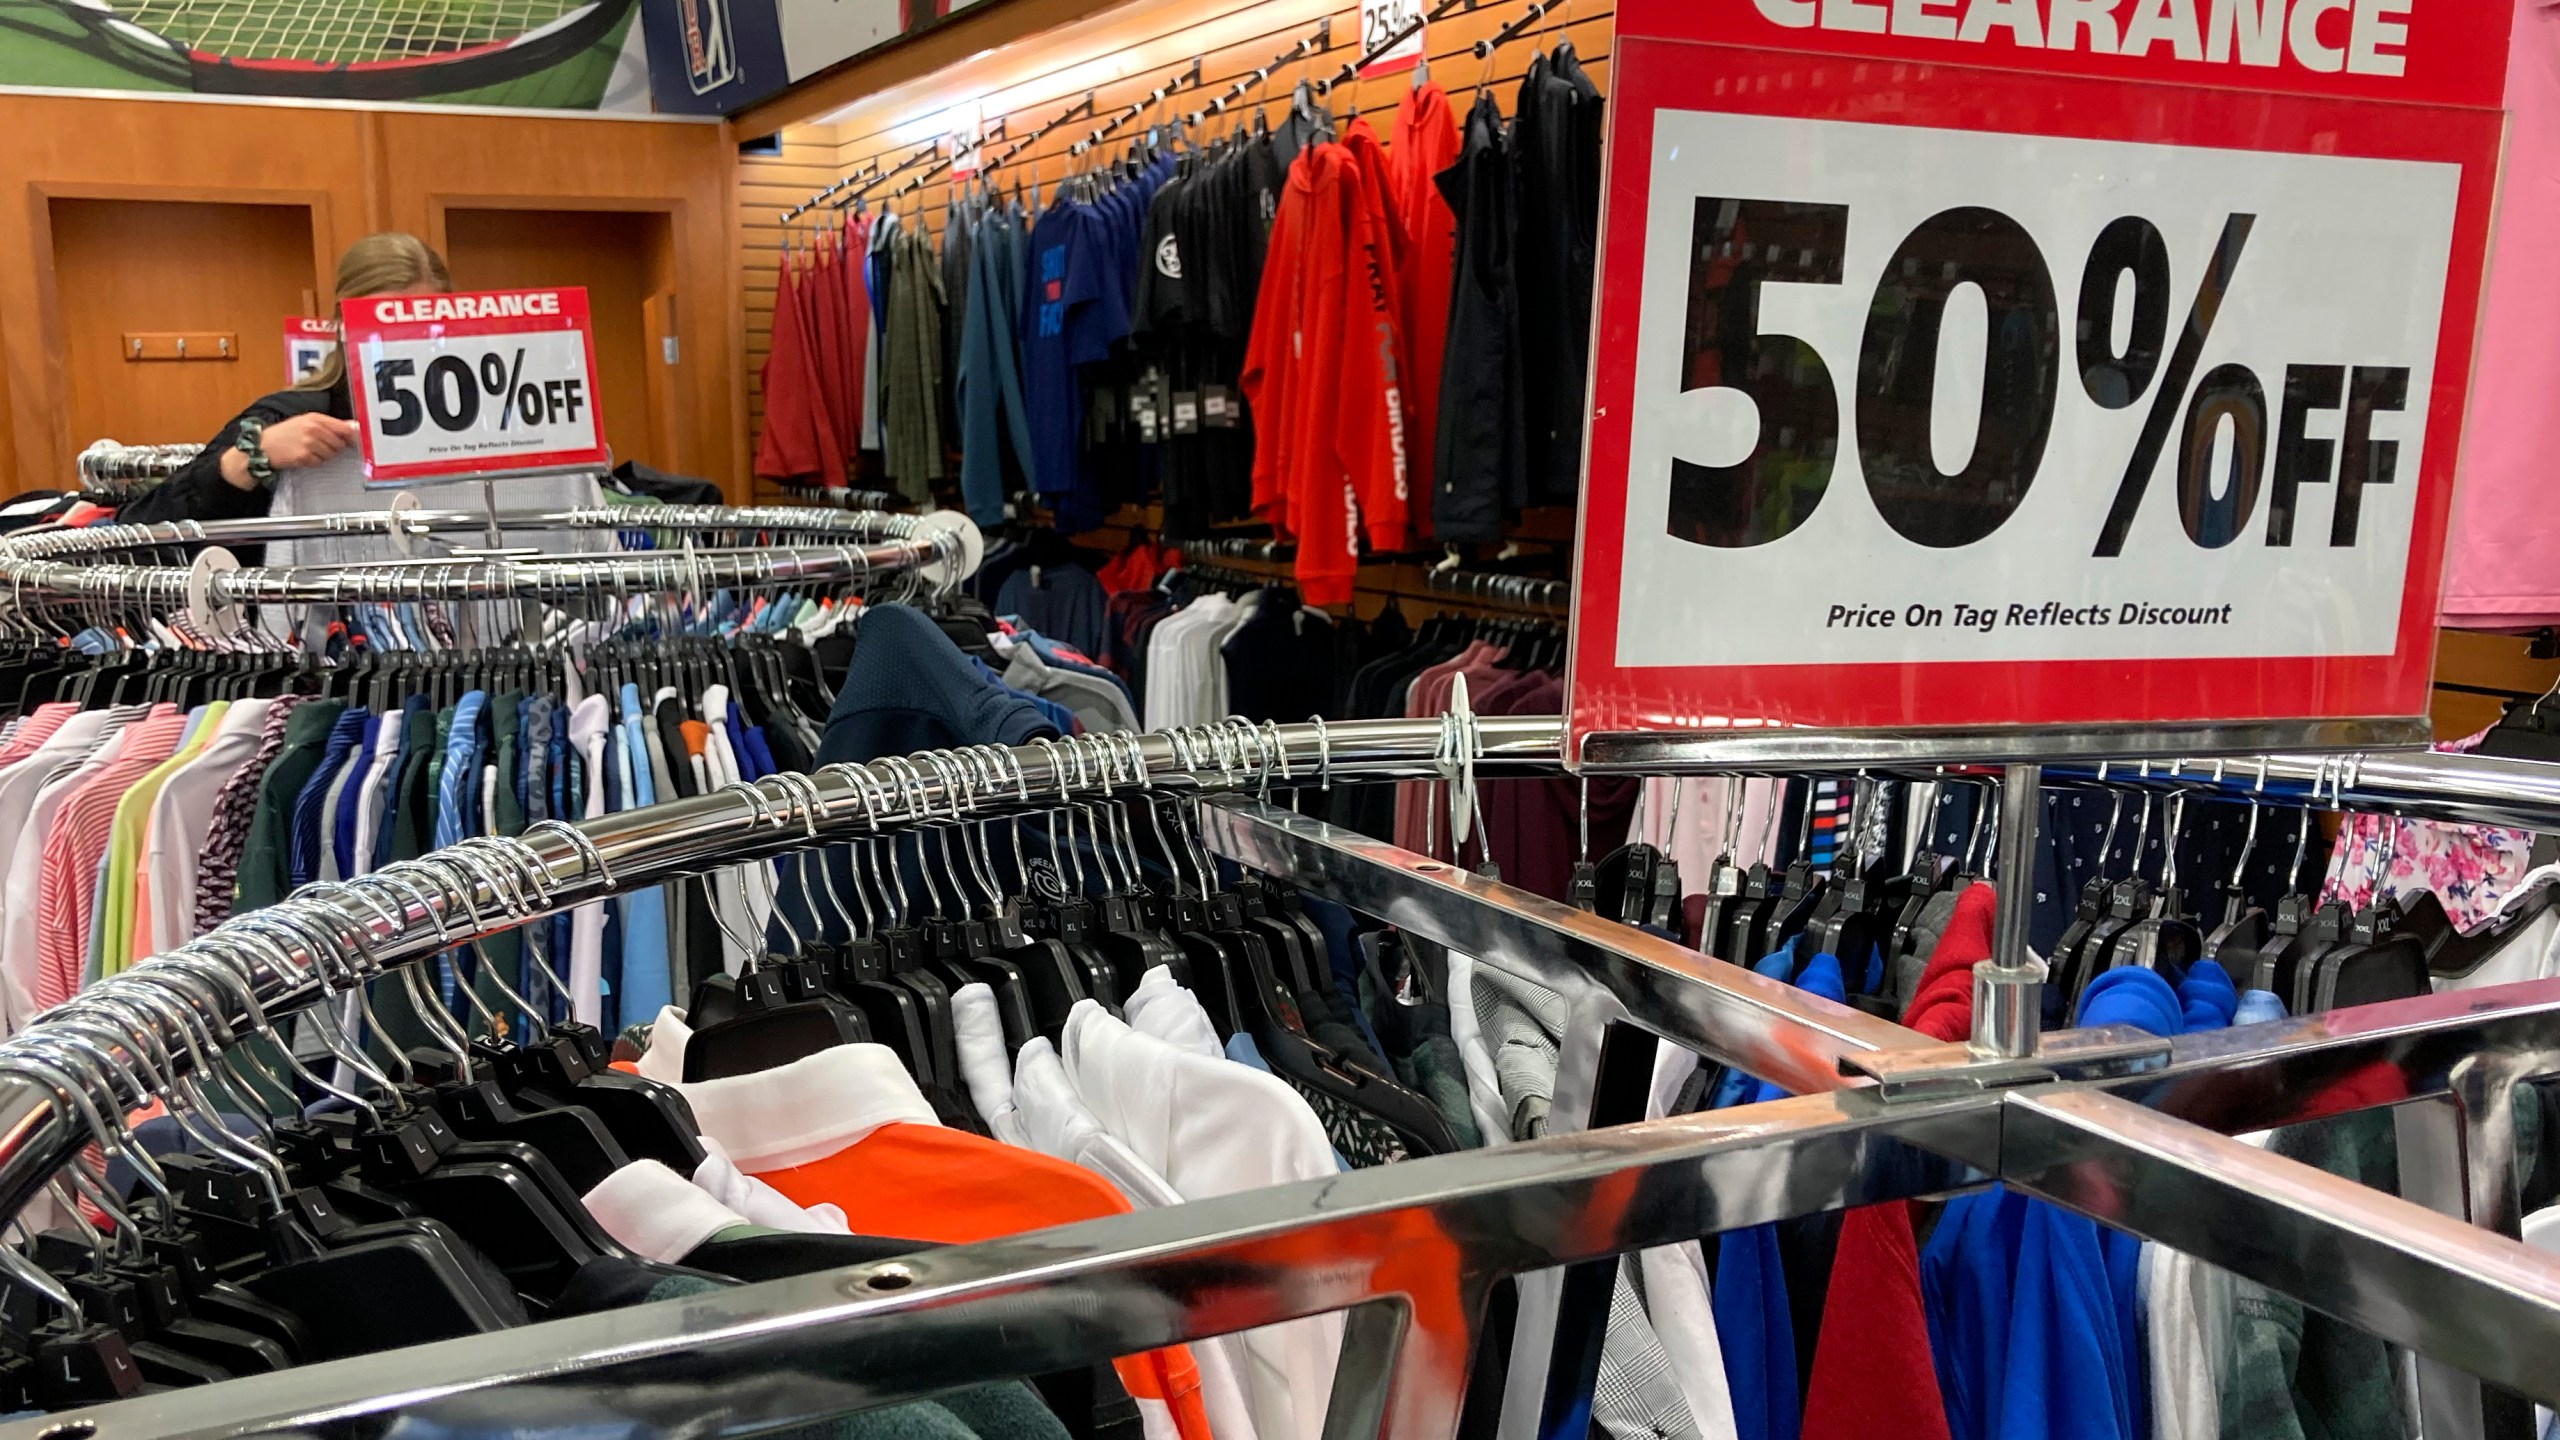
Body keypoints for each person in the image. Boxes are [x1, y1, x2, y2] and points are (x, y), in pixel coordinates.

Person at [120, 233, 452, 526]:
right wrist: (252, 457)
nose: (402, 343)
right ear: (341, 324)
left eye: (424, 326)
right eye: (381, 324)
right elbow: (143, 529)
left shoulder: (485, 420)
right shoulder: (288, 414)